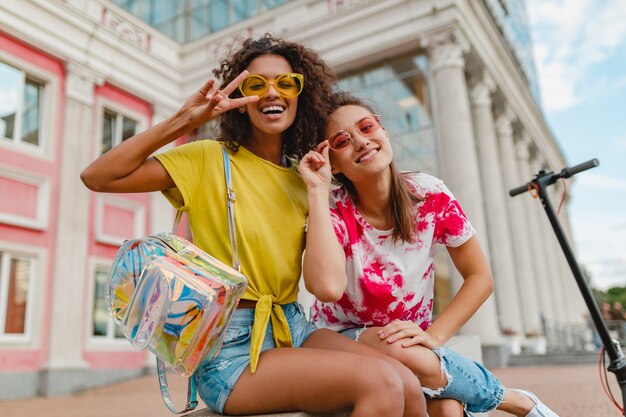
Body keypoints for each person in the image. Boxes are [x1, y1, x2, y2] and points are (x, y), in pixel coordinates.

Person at [81, 34, 431, 417]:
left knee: (407, 383)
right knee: (380, 382)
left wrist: (317, 191)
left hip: (294, 328)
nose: (271, 93)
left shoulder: (307, 177)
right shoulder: (208, 158)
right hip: (229, 347)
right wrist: (186, 119)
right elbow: (99, 177)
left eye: (285, 83)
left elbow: (328, 287)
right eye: (255, 84)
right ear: (240, 100)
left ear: (302, 93)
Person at [298, 91, 560, 417]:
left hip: (411, 345)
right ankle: (512, 399)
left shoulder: (430, 194)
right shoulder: (331, 207)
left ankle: (486, 394)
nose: (362, 141)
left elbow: (480, 278)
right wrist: (317, 192)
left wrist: (434, 336)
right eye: (342, 140)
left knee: (448, 410)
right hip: (338, 339)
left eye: (367, 127)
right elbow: (325, 288)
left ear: (384, 131)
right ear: (332, 162)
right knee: (399, 348)